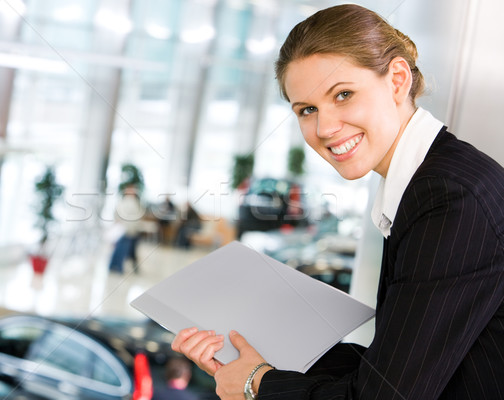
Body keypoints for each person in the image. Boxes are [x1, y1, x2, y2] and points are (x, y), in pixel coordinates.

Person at [170, 4, 504, 399]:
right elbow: (405, 362)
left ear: (397, 79)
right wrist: (252, 353)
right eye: (307, 110)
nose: (324, 128)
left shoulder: (447, 196)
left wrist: (256, 382)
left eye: (343, 94)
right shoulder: (434, 179)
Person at [108, 184, 144, 273]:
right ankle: (118, 267)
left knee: (121, 249)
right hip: (127, 230)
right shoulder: (130, 202)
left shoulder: (127, 201)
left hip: (127, 230)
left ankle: (114, 266)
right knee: (122, 250)